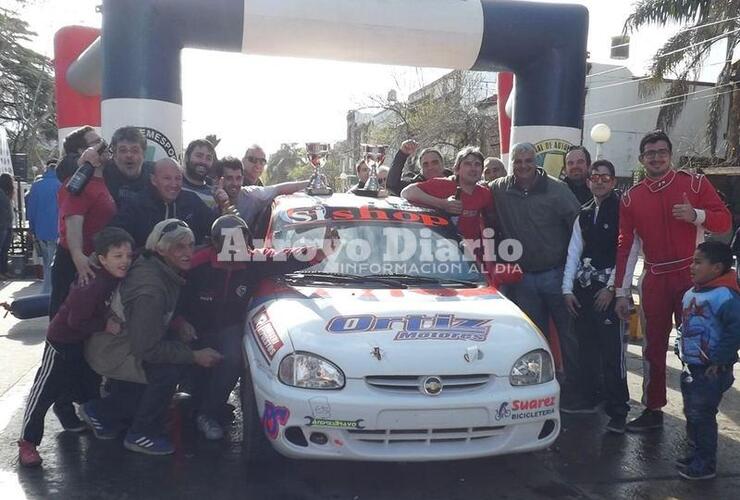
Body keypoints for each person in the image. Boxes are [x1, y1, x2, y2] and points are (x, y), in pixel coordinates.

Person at [181, 215, 339, 440]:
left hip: (229, 327)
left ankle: (209, 414)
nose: (235, 249)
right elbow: (171, 291)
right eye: (228, 242)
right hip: (193, 327)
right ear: (214, 243)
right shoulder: (196, 263)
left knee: (233, 359)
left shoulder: (253, 260)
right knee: (184, 371)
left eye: (240, 241)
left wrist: (321, 251)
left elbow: (285, 258)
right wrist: (180, 323)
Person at [614, 130, 732, 431]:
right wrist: (621, 291)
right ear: (642, 159)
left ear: (670, 154)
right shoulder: (631, 197)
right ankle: (653, 409)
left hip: (691, 279)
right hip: (654, 278)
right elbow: (626, 246)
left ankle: (701, 411)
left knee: (696, 346)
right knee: (652, 348)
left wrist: (696, 215)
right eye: (650, 152)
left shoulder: (693, 183)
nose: (656, 157)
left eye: (661, 151)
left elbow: (724, 221)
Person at [80, 219, 223, 456]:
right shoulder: (151, 288)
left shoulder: (155, 265)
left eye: (190, 245)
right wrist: (194, 356)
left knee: (171, 359)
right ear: (161, 249)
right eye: (179, 247)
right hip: (112, 350)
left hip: (121, 342)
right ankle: (141, 432)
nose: (188, 253)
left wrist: (179, 323)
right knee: (168, 370)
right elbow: (147, 349)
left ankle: (102, 412)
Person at [17, 227, 134, 467]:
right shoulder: (91, 283)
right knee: (45, 390)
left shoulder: (110, 276)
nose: (125, 261)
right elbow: (74, 321)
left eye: (128, 256)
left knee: (85, 385)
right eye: (118, 256)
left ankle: (80, 419)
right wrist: (105, 324)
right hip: (61, 342)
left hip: (81, 340)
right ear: (102, 259)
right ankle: (27, 442)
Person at [489, 142, 587, 411]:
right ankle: (538, 390)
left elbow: (580, 227)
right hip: (523, 278)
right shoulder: (500, 188)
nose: (522, 166)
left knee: (569, 334)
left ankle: (576, 390)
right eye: (518, 162)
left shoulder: (557, 190)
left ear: (536, 161)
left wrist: (575, 272)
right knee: (534, 338)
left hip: (555, 274)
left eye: (528, 161)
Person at [562, 159, 630, 428]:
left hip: (611, 292)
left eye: (605, 177)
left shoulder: (623, 210)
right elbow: (573, 253)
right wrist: (567, 290)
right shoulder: (585, 212)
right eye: (594, 176)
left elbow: (626, 251)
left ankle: (618, 410)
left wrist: (613, 288)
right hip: (584, 290)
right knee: (586, 349)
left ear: (613, 181)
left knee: (613, 353)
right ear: (589, 181)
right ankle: (590, 398)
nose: (599, 181)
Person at [675, 241, 739, 480]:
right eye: (692, 261)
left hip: (711, 370)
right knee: (692, 413)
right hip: (691, 366)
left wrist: (720, 360)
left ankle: (706, 463)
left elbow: (735, 330)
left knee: (703, 414)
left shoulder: (725, 296)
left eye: (698, 262)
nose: (692, 266)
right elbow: (685, 325)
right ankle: (696, 453)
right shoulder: (691, 293)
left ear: (717, 268)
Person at [50, 144, 117, 318]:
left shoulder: (103, 181)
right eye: (95, 145)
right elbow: (73, 219)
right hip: (76, 262)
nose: (102, 149)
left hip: (93, 258)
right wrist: (77, 255)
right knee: (67, 318)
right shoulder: (80, 181)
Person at [109, 158, 216, 248]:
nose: (174, 184)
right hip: (149, 268)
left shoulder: (192, 201)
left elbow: (217, 229)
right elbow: (113, 235)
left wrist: (224, 205)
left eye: (178, 178)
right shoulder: (136, 204)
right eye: (167, 178)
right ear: (154, 180)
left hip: (188, 268)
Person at [401, 146, 492, 243]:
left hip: (471, 252)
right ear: (457, 169)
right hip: (442, 249)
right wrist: (443, 204)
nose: (473, 169)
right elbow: (406, 192)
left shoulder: (484, 193)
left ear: (482, 170)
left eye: (477, 164)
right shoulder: (442, 184)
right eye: (467, 164)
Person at [213, 157, 308, 229]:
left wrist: (314, 182)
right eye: (229, 178)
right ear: (218, 180)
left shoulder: (251, 195)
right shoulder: (206, 199)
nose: (235, 183)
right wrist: (221, 205)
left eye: (238, 178)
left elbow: (279, 189)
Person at [25, 161, 62, 293]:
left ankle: (46, 290)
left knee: (46, 262)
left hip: (41, 230)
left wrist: (32, 228)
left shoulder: (36, 186)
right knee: (53, 263)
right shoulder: (61, 185)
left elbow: (31, 210)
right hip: (56, 230)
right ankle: (49, 292)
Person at [104, 127, 155, 207]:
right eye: (123, 150)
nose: (129, 155)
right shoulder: (103, 173)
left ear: (144, 154)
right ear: (114, 154)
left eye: (135, 150)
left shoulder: (156, 173)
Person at [386, 140, 451, 196]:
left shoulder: (455, 180)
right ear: (421, 169)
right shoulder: (416, 185)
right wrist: (402, 154)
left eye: (435, 163)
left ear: (442, 164)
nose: (430, 167)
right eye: (425, 164)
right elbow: (392, 185)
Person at [181, 139, 217, 208]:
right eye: (199, 156)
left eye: (208, 158)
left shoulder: (214, 195)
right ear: (187, 157)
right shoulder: (175, 185)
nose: (203, 162)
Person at [0, 173, 13, 279]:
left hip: (6, 225)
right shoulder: (3, 194)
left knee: (4, 249)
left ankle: (4, 270)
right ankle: (2, 271)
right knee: (3, 249)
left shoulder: (5, 193)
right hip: (3, 225)